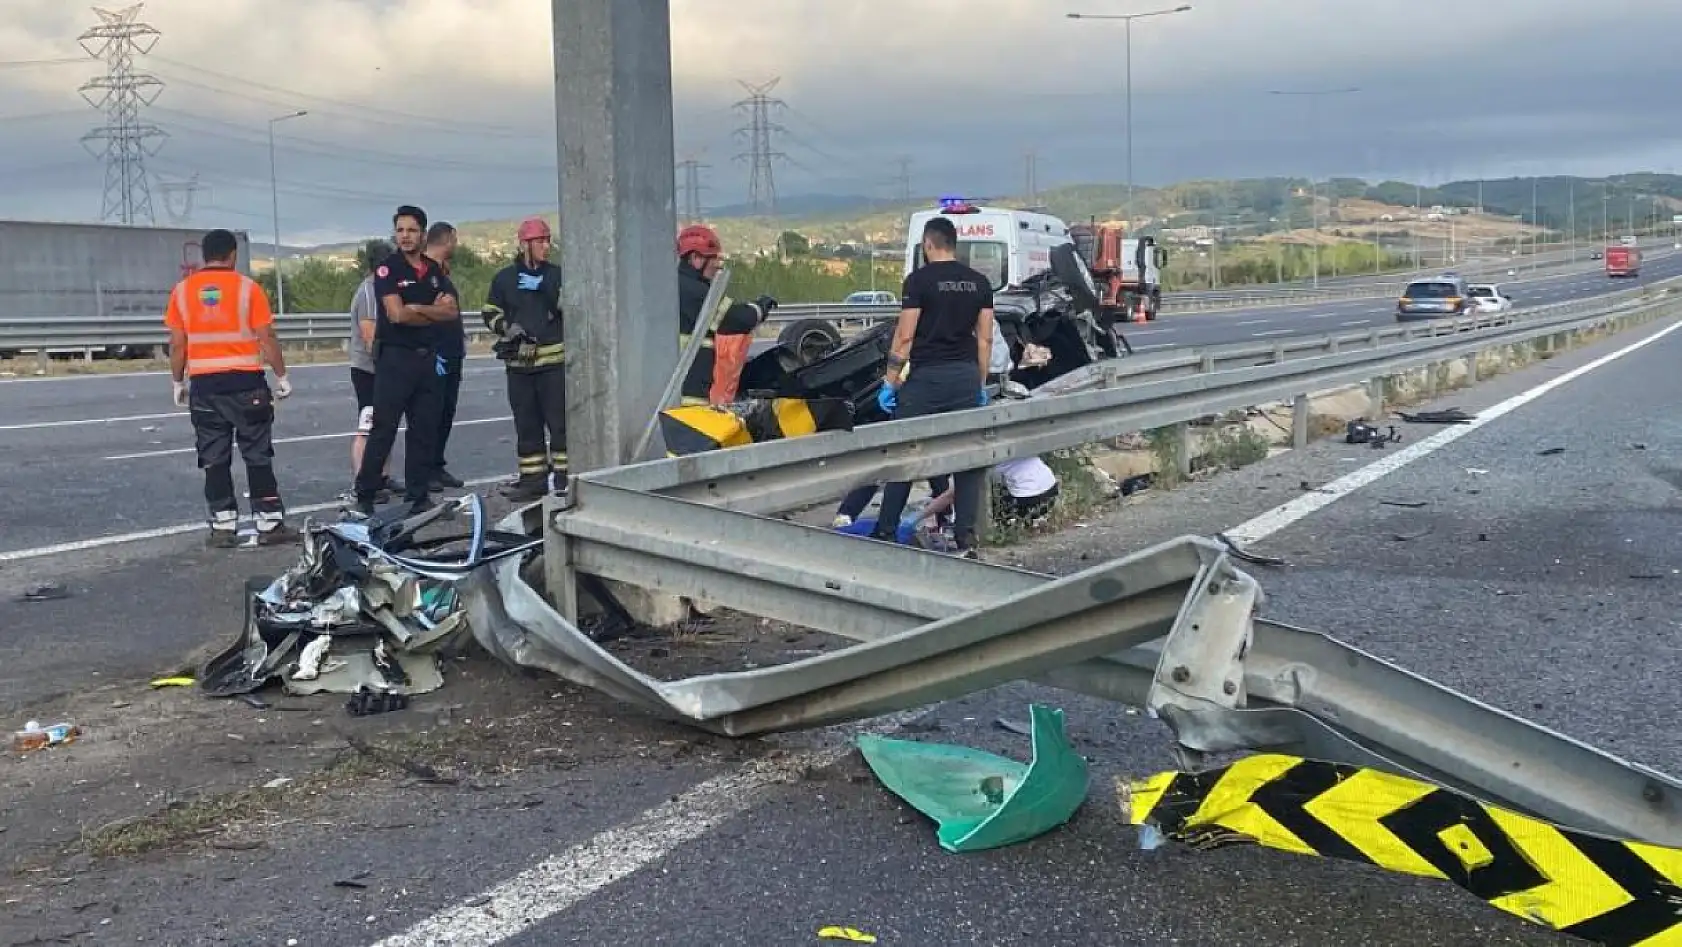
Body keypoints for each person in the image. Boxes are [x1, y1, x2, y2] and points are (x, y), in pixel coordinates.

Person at [869, 216, 995, 557]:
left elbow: (905, 336)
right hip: (966, 377)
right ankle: (966, 536)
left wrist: (890, 383)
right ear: (954, 244)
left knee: (905, 454)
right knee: (968, 457)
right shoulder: (979, 282)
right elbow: (985, 338)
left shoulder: (918, 281)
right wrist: (979, 383)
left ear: (928, 244)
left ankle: (885, 532)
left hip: (927, 378)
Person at [164, 228, 295, 547]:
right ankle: (269, 523)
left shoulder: (182, 292)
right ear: (232, 254)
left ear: (204, 255)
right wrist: (281, 376)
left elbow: (177, 344)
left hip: (205, 387)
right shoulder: (249, 289)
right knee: (257, 454)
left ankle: (223, 526)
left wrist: (178, 380)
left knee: (214, 457)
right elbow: (267, 338)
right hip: (246, 385)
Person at [353, 205, 459, 515]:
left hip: (427, 360)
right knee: (383, 430)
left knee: (423, 430)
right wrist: (429, 311)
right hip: (395, 361)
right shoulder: (388, 270)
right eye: (400, 230)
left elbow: (451, 312)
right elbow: (396, 315)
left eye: (411, 230)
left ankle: (418, 496)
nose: (405, 236)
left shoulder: (434, 270)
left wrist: (417, 310)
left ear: (423, 235)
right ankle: (366, 494)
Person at [482, 217, 567, 501]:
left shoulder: (557, 275)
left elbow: (569, 307)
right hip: (519, 369)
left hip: (552, 367)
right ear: (524, 245)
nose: (546, 246)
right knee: (527, 426)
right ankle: (533, 481)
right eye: (540, 241)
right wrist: (508, 328)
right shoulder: (505, 279)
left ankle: (565, 480)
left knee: (560, 426)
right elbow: (490, 311)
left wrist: (546, 289)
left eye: (547, 240)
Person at [676, 224, 777, 405]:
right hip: (687, 392)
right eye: (713, 258)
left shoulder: (678, 285)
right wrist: (760, 307)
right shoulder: (696, 292)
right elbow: (736, 319)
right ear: (695, 258)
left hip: (682, 388)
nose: (717, 265)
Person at [347, 239, 403, 501]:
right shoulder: (369, 292)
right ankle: (363, 478)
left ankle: (382, 476)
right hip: (369, 370)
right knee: (367, 426)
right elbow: (369, 336)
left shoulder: (382, 289)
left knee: (385, 424)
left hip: (383, 368)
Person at [423, 221, 465, 493]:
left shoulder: (442, 273)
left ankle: (436, 465)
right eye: (455, 240)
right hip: (434, 354)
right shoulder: (424, 272)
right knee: (430, 414)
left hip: (451, 353)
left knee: (446, 412)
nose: (456, 245)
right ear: (446, 239)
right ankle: (424, 469)